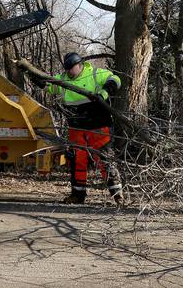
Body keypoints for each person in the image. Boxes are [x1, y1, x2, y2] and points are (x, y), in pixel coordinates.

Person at [35, 52, 123, 204]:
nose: (69, 71)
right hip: (76, 126)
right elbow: (49, 86)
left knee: (105, 160)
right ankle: (78, 195)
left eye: (72, 68)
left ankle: (117, 196)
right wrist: (37, 79)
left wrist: (106, 91)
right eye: (67, 69)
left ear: (80, 64)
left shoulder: (95, 74)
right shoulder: (62, 79)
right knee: (77, 160)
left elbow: (115, 79)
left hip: (99, 125)